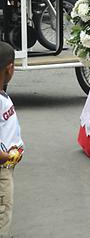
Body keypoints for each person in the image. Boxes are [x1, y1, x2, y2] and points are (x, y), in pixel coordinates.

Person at [0, 42, 24, 237]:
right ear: (10, 68)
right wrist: (6, 156)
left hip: (7, 164)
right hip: (2, 169)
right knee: (3, 213)